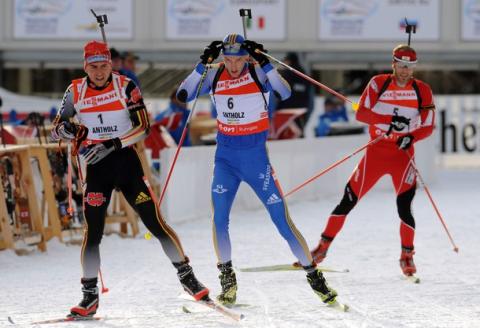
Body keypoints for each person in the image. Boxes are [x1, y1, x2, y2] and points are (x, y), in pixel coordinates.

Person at [177, 34, 338, 306]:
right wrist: (202, 64)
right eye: (227, 59)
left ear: (246, 57)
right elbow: (184, 94)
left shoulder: (257, 73)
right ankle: (227, 278)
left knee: (282, 222)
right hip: (225, 160)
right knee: (219, 220)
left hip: (256, 161)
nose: (232, 64)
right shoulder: (215, 74)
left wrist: (265, 63)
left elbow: (284, 92)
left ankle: (314, 277)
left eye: (237, 59)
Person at [51, 40, 209, 318]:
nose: (99, 72)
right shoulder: (75, 90)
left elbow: (143, 127)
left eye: (103, 66)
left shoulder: (126, 86)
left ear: (111, 64)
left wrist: (113, 144)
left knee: (155, 222)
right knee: (94, 232)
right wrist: (67, 130)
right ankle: (89, 296)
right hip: (97, 169)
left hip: (126, 164)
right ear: (84, 66)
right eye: (93, 67)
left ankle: (187, 276)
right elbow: (58, 127)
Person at [302, 44, 435, 278]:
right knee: (348, 200)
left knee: (405, 206)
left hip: (402, 157)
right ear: (393, 64)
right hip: (375, 153)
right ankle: (322, 248)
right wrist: (390, 120)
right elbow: (361, 113)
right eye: (401, 65)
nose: (405, 71)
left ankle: (407, 255)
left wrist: (410, 137)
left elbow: (428, 125)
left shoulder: (422, 90)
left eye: (410, 67)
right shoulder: (378, 83)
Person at [275, 52, 313, 137]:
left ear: (290, 61)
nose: (284, 63)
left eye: (286, 61)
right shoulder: (302, 73)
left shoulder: (287, 73)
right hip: (301, 109)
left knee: (287, 132)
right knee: (298, 131)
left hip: (287, 109)